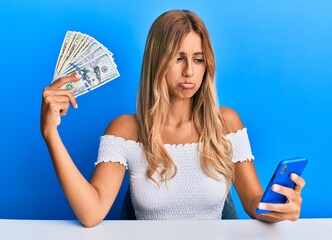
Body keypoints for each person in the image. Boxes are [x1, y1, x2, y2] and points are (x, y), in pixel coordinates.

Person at [41, 10, 305, 227]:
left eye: (198, 59)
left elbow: (253, 202)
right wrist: (51, 134)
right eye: (178, 58)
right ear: (158, 61)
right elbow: (91, 212)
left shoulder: (226, 124)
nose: (189, 71)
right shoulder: (126, 130)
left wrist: (280, 205)